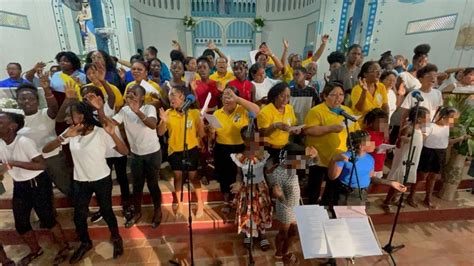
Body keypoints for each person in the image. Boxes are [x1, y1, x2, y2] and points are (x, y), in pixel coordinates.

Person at [43, 102, 127, 263]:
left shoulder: (100, 132)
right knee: (79, 215)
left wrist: (113, 134)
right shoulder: (70, 132)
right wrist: (64, 136)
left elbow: (124, 151)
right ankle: (85, 242)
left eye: (70, 115)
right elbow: (46, 150)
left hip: (101, 178)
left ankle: (116, 238)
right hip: (80, 180)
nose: (66, 119)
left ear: (81, 116)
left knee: (107, 211)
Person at [0, 112, 70, 265]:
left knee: (48, 219)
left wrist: (15, 163)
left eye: (0, 123)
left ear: (12, 127)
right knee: (21, 223)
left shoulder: (24, 142)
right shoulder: (0, 143)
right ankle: (35, 249)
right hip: (20, 185)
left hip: (37, 182)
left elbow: (42, 164)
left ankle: (64, 247)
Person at [94, 84, 163, 228]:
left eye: (134, 94)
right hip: (136, 154)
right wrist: (100, 110)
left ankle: (158, 210)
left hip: (152, 153)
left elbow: (152, 125)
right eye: (129, 93)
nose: (130, 96)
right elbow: (110, 123)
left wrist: (137, 111)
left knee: (152, 184)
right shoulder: (125, 110)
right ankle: (137, 212)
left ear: (142, 97)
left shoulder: (149, 108)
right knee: (137, 186)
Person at [80, 85, 130, 224]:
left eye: (91, 96)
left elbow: (105, 123)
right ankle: (104, 208)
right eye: (85, 97)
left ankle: (127, 204)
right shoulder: (85, 113)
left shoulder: (107, 107)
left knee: (122, 178)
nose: (88, 99)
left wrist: (99, 109)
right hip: (101, 152)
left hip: (116, 149)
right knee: (104, 183)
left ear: (99, 97)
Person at [303, 81, 360, 205]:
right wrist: (330, 128)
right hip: (319, 156)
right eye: (334, 94)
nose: (339, 98)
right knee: (315, 186)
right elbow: (309, 130)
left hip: (338, 156)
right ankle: (312, 208)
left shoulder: (347, 111)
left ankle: (326, 206)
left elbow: (356, 130)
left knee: (333, 185)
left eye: (341, 94)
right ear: (325, 96)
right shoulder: (316, 111)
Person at [158, 86, 206, 217]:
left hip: (191, 149)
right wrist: (163, 121)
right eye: (170, 95)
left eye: (174, 94)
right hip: (174, 151)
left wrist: (201, 123)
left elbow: (201, 134)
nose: (171, 97)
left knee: (193, 177)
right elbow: (160, 132)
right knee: (178, 177)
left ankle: (200, 203)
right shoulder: (167, 112)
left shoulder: (194, 113)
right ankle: (180, 204)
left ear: (183, 97)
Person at [210, 88, 260, 213]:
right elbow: (213, 135)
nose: (226, 99)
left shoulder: (243, 110)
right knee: (224, 176)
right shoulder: (217, 113)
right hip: (222, 148)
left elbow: (257, 110)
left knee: (240, 176)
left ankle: (239, 200)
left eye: (230, 96)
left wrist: (237, 99)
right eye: (224, 96)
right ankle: (226, 200)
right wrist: (210, 132)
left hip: (240, 148)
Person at [267, 144, 318, 264]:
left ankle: (285, 251)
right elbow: (279, 196)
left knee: (293, 232)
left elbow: (314, 162)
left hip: (295, 205)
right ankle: (279, 253)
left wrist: (316, 155)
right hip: (285, 207)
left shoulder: (293, 164)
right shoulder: (278, 173)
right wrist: (279, 196)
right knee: (283, 233)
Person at [328, 130, 407, 205]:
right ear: (361, 146)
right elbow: (332, 177)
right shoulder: (344, 157)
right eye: (370, 141)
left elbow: (371, 177)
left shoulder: (370, 158)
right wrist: (334, 160)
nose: (374, 143)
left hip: (363, 194)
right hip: (346, 194)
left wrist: (390, 183)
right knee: (345, 216)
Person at [411, 107, 469, 208]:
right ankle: (411, 196)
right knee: (421, 176)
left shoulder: (447, 128)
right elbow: (420, 139)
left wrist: (460, 138)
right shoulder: (430, 126)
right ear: (445, 116)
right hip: (428, 152)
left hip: (440, 153)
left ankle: (427, 198)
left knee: (433, 177)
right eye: (452, 118)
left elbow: (446, 143)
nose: (454, 121)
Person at [230, 127, 272, 251]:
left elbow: (267, 171)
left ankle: (262, 233)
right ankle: (248, 233)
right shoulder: (240, 157)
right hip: (246, 188)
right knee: (248, 211)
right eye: (251, 140)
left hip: (260, 187)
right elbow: (238, 173)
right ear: (244, 141)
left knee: (261, 210)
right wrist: (238, 182)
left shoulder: (263, 155)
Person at [384, 106, 430, 209]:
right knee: (397, 181)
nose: (429, 120)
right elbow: (399, 144)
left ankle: (396, 198)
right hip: (404, 160)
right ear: (418, 118)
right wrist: (403, 139)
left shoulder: (419, 131)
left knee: (405, 181)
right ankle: (387, 201)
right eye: (427, 118)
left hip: (413, 160)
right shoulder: (408, 128)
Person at [257, 83, 300, 164]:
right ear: (275, 96)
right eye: (282, 96)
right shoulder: (265, 111)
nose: (285, 100)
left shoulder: (289, 108)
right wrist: (275, 125)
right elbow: (263, 133)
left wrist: (295, 130)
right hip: (269, 150)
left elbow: (293, 124)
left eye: (288, 96)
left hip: (285, 148)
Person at [364, 108, 390, 178]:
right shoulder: (366, 133)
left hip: (380, 165)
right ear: (371, 122)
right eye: (379, 122)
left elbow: (387, 144)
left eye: (385, 122)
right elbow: (364, 146)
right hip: (369, 166)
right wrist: (375, 147)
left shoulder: (384, 133)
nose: (383, 125)